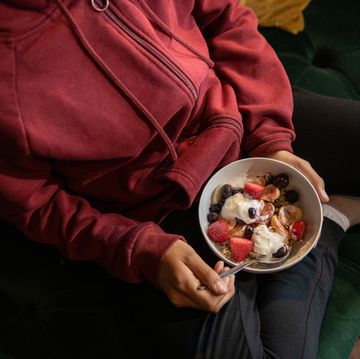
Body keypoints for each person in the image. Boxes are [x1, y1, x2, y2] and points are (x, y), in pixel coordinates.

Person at [0, 0, 359, 358]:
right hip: (162, 217)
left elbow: (226, 18)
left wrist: (272, 136)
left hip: (241, 117)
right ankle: (327, 224)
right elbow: (35, 203)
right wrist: (141, 250)